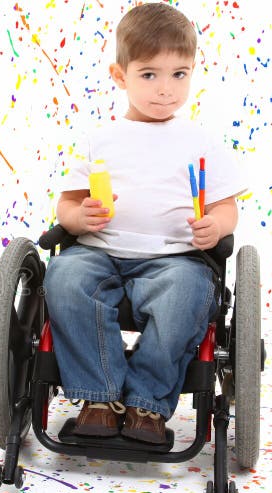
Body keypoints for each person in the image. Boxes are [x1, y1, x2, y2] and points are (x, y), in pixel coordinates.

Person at [42, 3, 246, 444]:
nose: (166, 90)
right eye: (150, 74)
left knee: (188, 293)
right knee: (63, 275)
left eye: (180, 74)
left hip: (174, 260)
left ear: (192, 73)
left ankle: (147, 404)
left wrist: (216, 225)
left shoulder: (199, 141)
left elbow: (227, 208)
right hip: (99, 252)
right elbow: (66, 207)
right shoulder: (101, 139)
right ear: (121, 76)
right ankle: (100, 397)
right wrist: (81, 217)